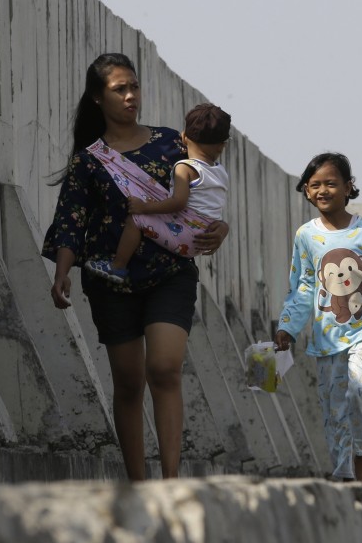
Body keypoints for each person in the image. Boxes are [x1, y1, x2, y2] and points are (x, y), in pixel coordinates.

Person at [42, 53, 229, 481]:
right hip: (111, 280)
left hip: (170, 274)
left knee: (164, 367)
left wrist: (223, 229)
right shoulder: (89, 160)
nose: (130, 96)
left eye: (134, 87)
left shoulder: (172, 142)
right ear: (96, 98)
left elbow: (210, 192)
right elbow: (71, 220)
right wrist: (62, 272)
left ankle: (170, 482)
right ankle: (138, 485)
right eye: (119, 89)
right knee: (128, 383)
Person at [274, 152, 362, 486]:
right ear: (306, 191)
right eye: (315, 185)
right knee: (334, 408)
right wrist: (288, 327)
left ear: (349, 188)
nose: (323, 190)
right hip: (328, 338)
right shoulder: (306, 235)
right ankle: (343, 473)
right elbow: (304, 285)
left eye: (331, 183)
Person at [84, 102, 231, 283]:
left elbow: (178, 202)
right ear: (221, 146)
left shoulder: (184, 168)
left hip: (187, 234)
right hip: (205, 233)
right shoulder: (220, 171)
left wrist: (144, 207)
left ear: (184, 138)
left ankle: (117, 267)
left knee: (136, 220)